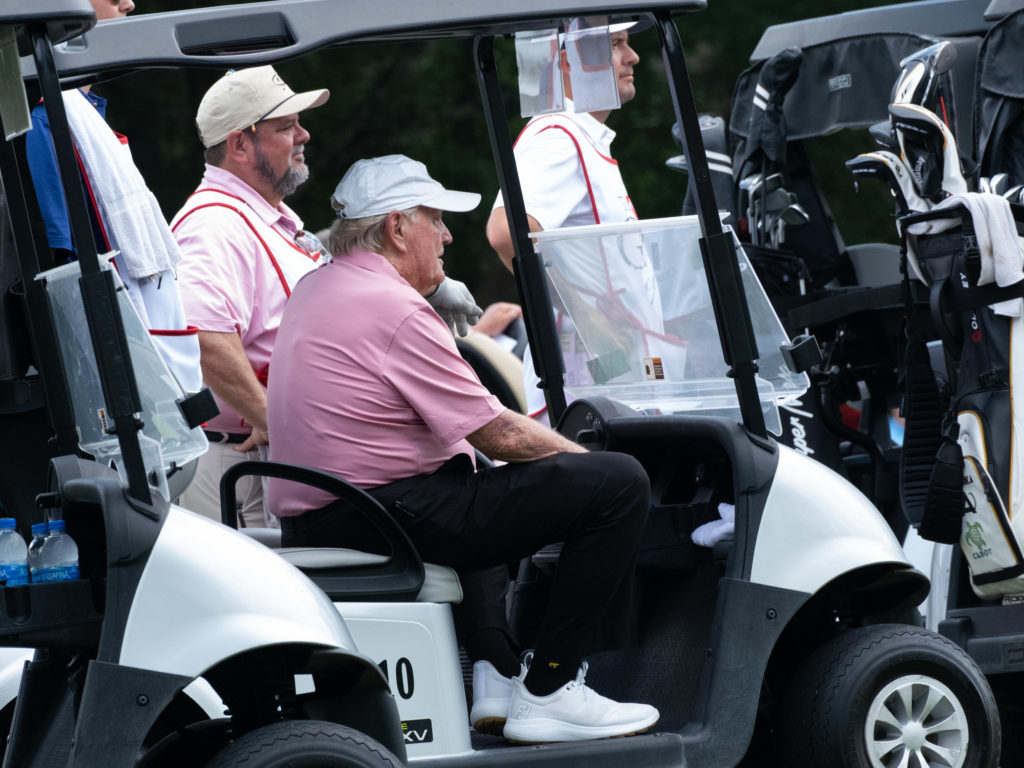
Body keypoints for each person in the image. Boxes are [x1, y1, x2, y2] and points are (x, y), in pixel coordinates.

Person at [266, 154, 658, 744]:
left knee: (469, 473)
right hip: (376, 515)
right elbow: (497, 431)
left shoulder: (316, 287)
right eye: (435, 219)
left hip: (333, 513)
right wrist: (584, 466)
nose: (448, 235)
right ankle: (551, 690)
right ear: (397, 228)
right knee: (620, 484)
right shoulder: (390, 306)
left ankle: (497, 674)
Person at [486, 23, 684, 423]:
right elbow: (506, 231)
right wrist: (586, 316)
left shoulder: (580, 137)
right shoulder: (559, 135)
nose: (633, 56)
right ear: (565, 62)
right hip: (591, 391)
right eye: (615, 44)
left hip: (609, 383)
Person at [168, 65, 331, 527]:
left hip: (261, 464)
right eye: (286, 127)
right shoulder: (213, 224)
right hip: (243, 469)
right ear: (240, 145)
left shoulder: (256, 213)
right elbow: (203, 338)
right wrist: (272, 420)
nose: (304, 134)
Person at [25, 0, 202, 395]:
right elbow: (66, 277)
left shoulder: (80, 116)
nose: (129, 3)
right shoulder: (47, 124)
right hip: (120, 383)